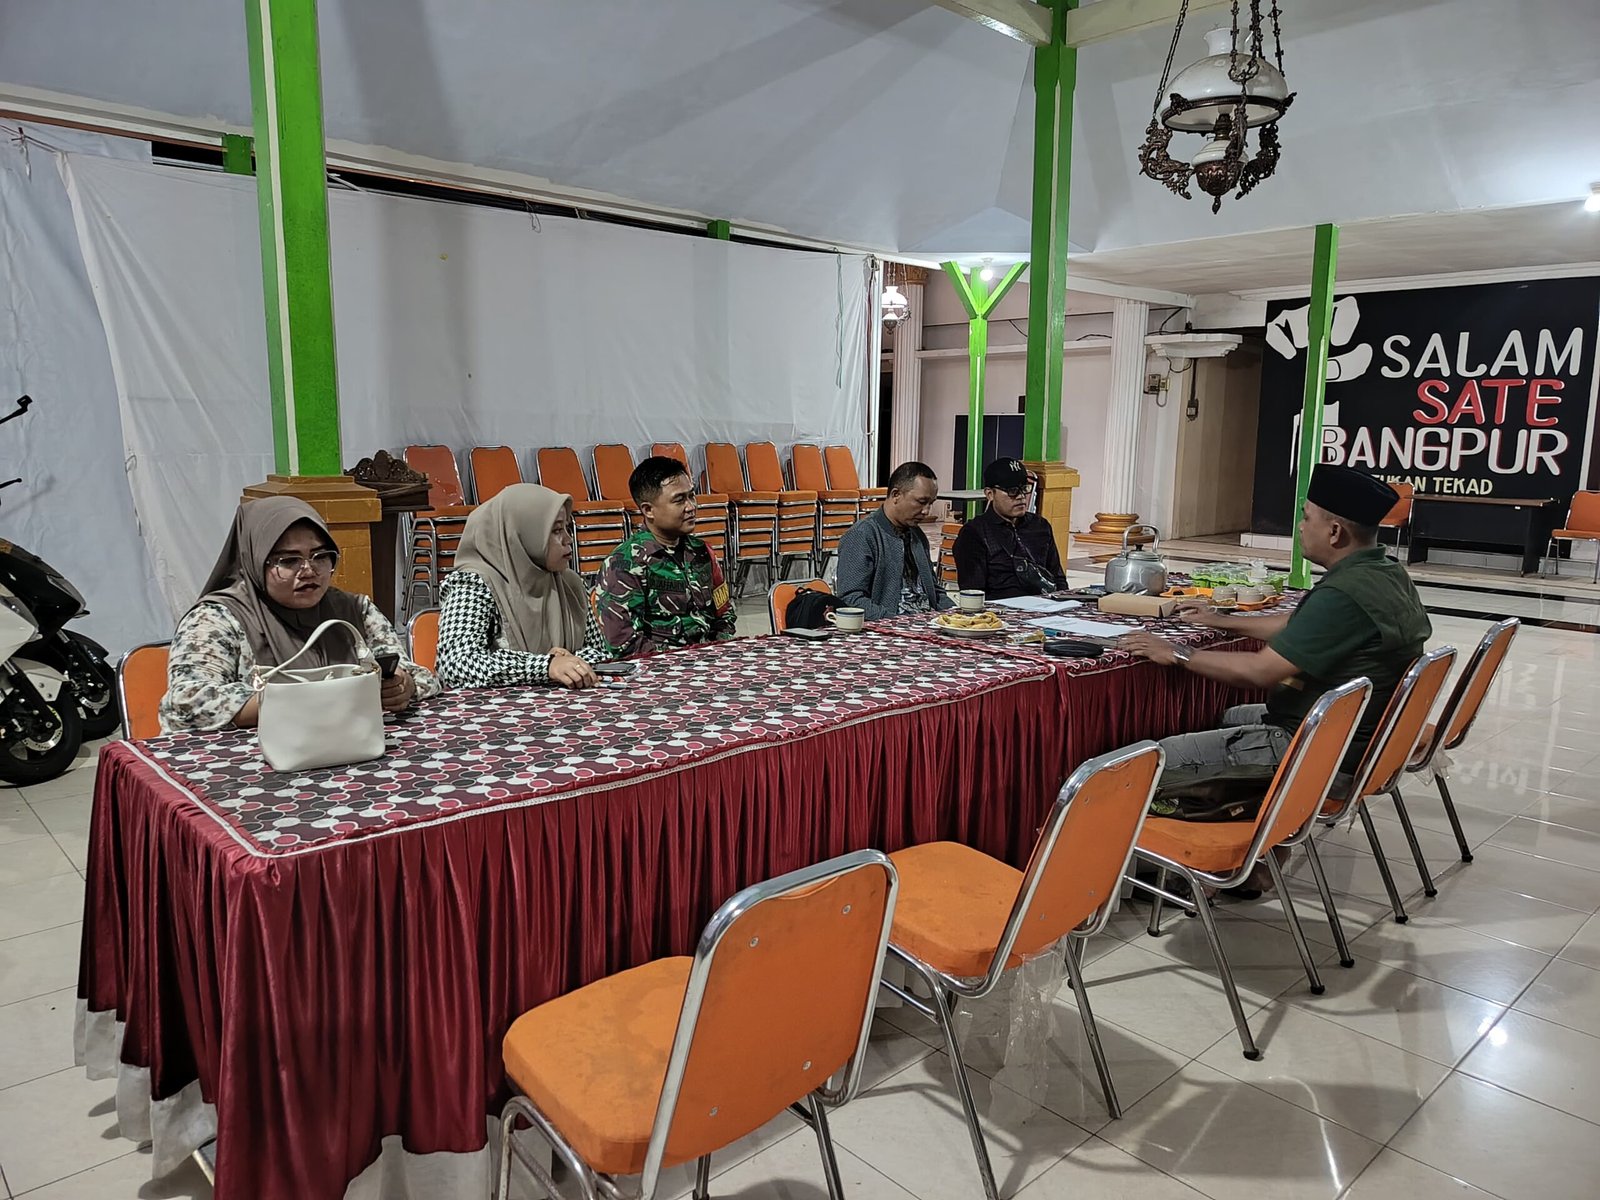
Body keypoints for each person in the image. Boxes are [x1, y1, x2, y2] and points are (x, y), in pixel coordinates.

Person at [1123, 463, 1431, 780]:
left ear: (1335, 532)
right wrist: (1220, 621)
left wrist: (1177, 652)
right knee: (1224, 717)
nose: (1300, 527)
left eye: (1306, 518)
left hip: (1315, 748)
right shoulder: (1385, 573)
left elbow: (1260, 671)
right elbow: (1302, 625)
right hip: (1352, 733)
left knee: (1143, 763)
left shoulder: (1345, 593)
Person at [161, 496, 437, 733]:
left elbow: (423, 677)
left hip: (347, 747)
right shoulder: (217, 618)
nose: (309, 571)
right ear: (255, 560)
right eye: (289, 560)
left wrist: (403, 686)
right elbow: (187, 702)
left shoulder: (354, 610)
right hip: (251, 762)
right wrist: (307, 700)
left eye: (320, 556)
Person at [436, 484, 612, 690]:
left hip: (569, 704)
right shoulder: (473, 585)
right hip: (499, 707)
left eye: (566, 528)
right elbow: (455, 665)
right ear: (520, 535)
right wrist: (546, 666)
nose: (568, 539)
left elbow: (601, 653)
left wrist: (571, 660)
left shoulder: (570, 584)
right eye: (556, 530)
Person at [593, 455, 737, 656]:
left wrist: (719, 652)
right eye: (679, 500)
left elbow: (724, 613)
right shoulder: (625, 565)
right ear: (648, 510)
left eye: (691, 496)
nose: (691, 507)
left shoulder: (702, 553)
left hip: (711, 660)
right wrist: (682, 662)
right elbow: (623, 643)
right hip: (658, 667)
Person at [834, 461, 954, 619]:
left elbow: (935, 591)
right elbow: (850, 599)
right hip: (889, 627)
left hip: (927, 624)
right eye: (921, 502)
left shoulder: (917, 535)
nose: (926, 511)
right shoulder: (862, 535)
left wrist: (956, 614)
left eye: (930, 504)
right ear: (896, 495)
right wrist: (894, 621)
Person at [952, 458, 1067, 599]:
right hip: (999, 608)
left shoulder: (1040, 526)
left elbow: (1058, 579)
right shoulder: (974, 533)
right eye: (1012, 491)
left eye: (1024, 489)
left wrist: (1063, 603)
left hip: (1046, 603)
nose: (1021, 497)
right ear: (990, 494)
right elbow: (973, 593)